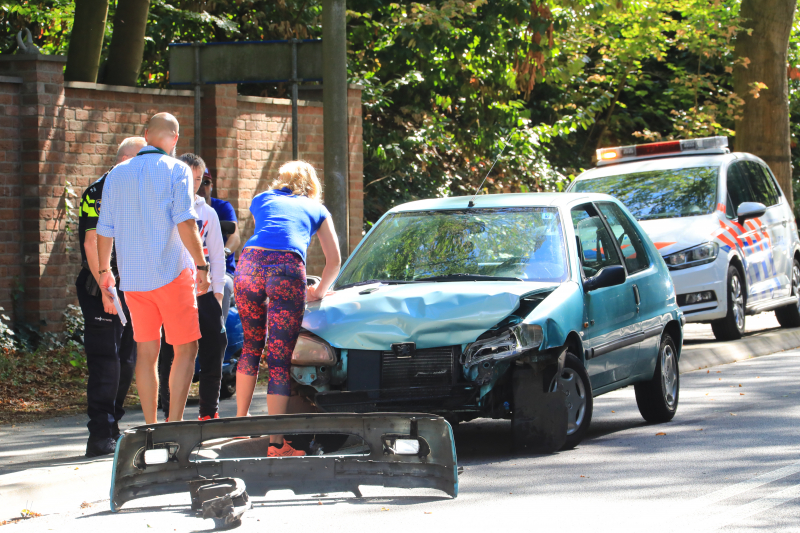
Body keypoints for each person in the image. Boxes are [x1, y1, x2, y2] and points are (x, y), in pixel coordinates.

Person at [96, 112, 210, 424]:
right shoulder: (178, 169)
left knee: (146, 355)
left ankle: (151, 426)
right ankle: (174, 425)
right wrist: (202, 265)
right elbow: (185, 221)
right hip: (173, 271)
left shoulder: (116, 174)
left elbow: (104, 228)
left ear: (146, 135)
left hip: (133, 279)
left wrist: (105, 271)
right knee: (186, 349)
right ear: (175, 139)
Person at [235, 160, 341, 457]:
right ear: (311, 185)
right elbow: (334, 260)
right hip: (286, 270)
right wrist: (318, 291)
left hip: (249, 266)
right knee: (279, 360)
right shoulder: (317, 209)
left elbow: (269, 234)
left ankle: (240, 423)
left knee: (251, 346)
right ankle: (276, 443)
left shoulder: (261, 200)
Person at [77, 136, 146, 457]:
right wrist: (106, 286)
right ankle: (100, 433)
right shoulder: (100, 191)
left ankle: (113, 426)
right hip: (103, 287)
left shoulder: (136, 190)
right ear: (126, 160)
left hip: (134, 285)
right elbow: (92, 243)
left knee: (127, 360)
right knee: (106, 361)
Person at [158, 153, 227, 421]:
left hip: (204, 289)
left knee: (216, 344)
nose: (194, 184)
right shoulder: (164, 206)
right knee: (171, 351)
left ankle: (208, 412)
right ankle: (170, 413)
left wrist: (218, 292)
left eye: (199, 179)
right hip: (174, 288)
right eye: (190, 178)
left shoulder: (207, 212)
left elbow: (218, 255)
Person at [197, 169, 238, 320]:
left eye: (206, 182)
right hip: (192, 269)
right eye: (197, 181)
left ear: (212, 186)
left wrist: (224, 252)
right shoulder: (183, 208)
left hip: (221, 269)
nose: (201, 186)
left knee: (225, 284)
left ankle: (220, 331)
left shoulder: (222, 207)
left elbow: (235, 236)